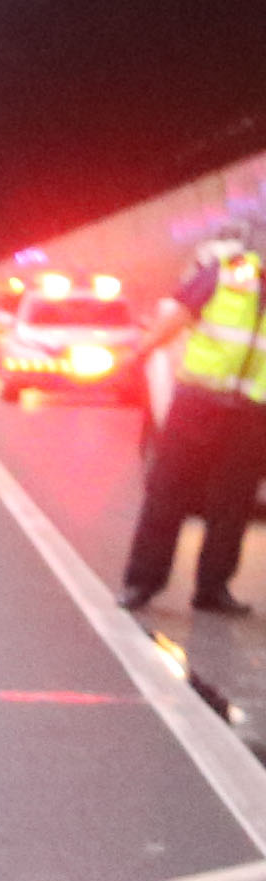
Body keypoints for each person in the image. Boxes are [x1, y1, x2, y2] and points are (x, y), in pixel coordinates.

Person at [113, 223, 266, 613]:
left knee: (233, 506)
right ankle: (142, 583)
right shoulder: (228, 274)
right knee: (168, 494)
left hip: (251, 413)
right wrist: (139, 353)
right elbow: (178, 316)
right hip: (199, 401)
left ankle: (212, 589)